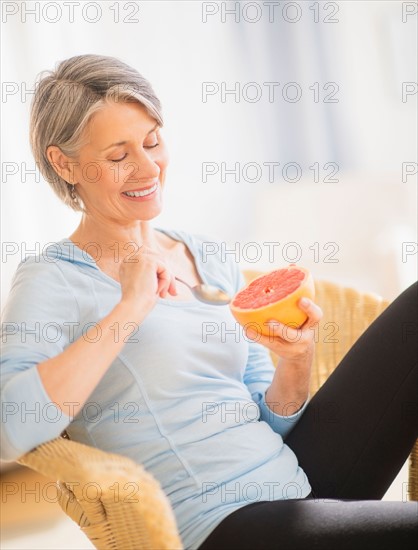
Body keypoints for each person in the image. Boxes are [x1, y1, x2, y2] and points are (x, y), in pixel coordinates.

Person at [0, 54, 416, 550]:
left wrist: (295, 361)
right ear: (64, 163)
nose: (147, 166)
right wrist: (130, 307)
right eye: (118, 156)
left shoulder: (207, 256)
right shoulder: (53, 277)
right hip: (218, 524)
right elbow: (11, 428)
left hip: (297, 481)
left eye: (153, 141)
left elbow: (272, 418)